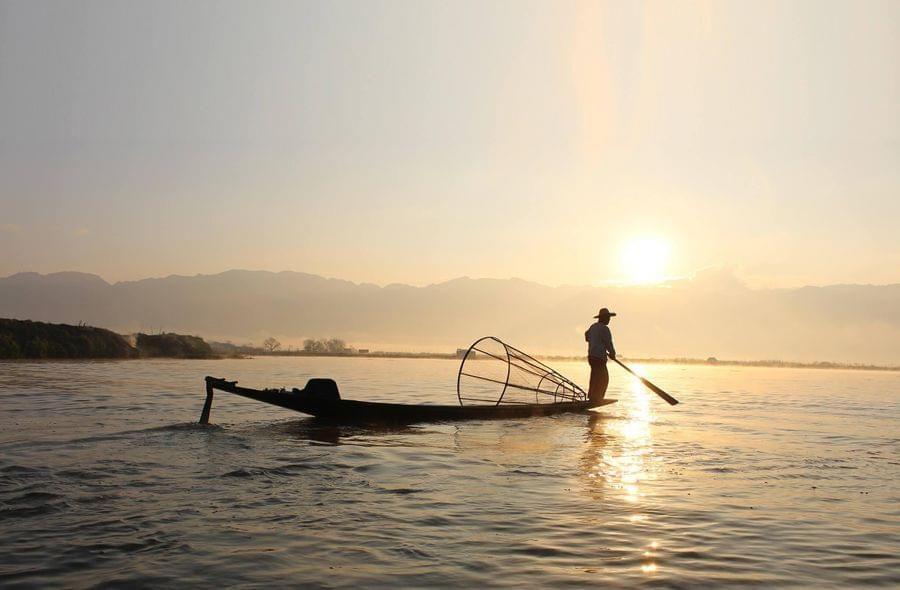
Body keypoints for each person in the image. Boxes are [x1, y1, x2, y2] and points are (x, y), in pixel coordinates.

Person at [585, 307, 616, 403]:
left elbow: (587, 336)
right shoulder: (605, 329)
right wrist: (612, 353)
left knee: (595, 376)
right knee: (603, 378)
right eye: (607, 318)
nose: (609, 320)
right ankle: (597, 398)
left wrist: (594, 340)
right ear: (603, 318)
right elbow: (608, 343)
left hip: (591, 357)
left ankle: (592, 396)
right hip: (599, 358)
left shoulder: (593, 326)